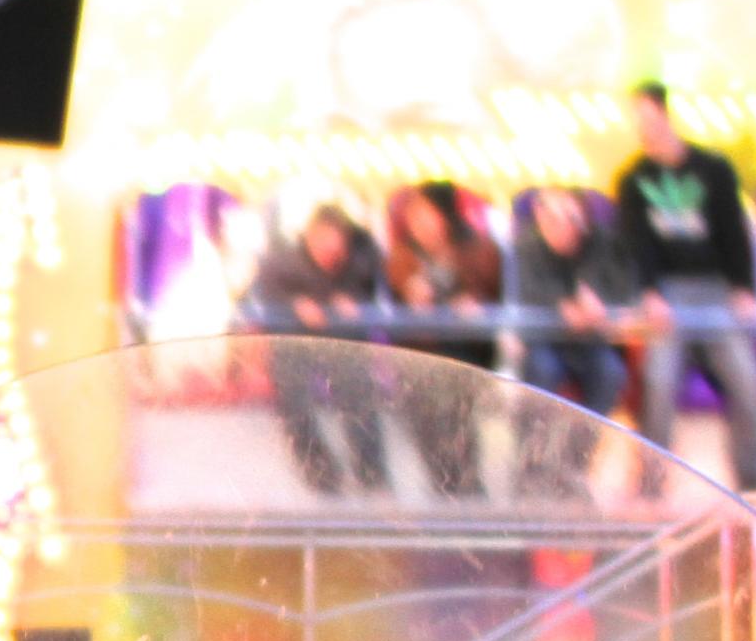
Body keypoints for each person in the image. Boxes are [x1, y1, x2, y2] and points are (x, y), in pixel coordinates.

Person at [611, 82, 756, 493]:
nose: (644, 130)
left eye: (649, 119)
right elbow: (636, 245)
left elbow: (733, 233)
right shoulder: (633, 180)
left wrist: (743, 287)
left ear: (665, 116)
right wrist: (649, 293)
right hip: (667, 294)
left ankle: (754, 480)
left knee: (746, 381)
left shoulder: (714, 171)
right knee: (659, 382)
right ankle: (650, 483)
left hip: (715, 292)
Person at [250, 202, 393, 495]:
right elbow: (262, 293)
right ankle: (321, 475)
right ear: (310, 237)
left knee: (359, 401)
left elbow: (378, 293)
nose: (329, 254)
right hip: (295, 347)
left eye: (336, 249)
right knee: (295, 406)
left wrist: (352, 300)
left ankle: (371, 475)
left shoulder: (362, 260)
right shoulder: (283, 263)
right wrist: (294, 304)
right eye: (323, 246)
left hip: (346, 345)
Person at [381, 181, 502, 498]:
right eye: (413, 215)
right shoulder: (403, 254)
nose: (419, 222)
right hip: (418, 357)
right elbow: (397, 293)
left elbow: (488, 295)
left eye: (426, 214)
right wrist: (412, 293)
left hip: (465, 355)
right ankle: (441, 486)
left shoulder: (478, 250)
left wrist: (471, 303)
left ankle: (468, 486)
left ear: (445, 215)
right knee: (425, 424)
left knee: (459, 420)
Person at [506, 187, 631, 496]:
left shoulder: (601, 243)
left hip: (588, 342)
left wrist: (596, 302)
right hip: (543, 340)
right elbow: (526, 291)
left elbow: (618, 288)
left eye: (569, 218)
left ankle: (575, 463)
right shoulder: (525, 246)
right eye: (550, 218)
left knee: (610, 372)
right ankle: (531, 467)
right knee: (541, 370)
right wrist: (562, 305)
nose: (560, 226)